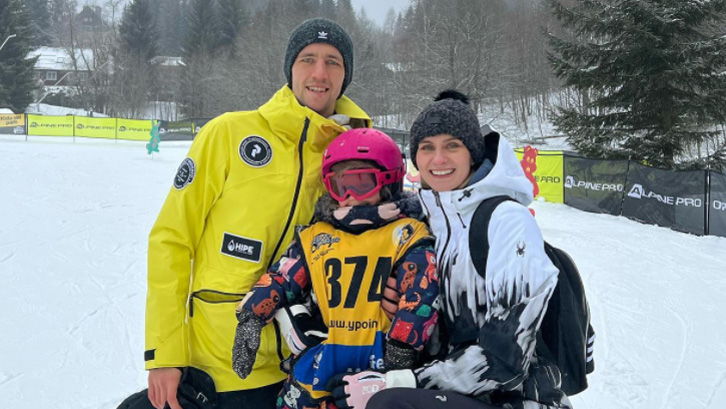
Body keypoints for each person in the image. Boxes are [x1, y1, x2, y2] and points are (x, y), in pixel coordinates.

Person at [118, 18, 372, 409]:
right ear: (290, 67)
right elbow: (171, 239)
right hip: (215, 364)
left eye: (333, 62)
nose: (319, 73)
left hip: (306, 367)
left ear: (346, 76)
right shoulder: (228, 134)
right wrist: (165, 355)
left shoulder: (356, 154)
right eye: (308, 59)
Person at [327, 90, 573, 409]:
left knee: (388, 403)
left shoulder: (505, 221)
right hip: (454, 392)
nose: (438, 159)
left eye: (451, 146)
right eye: (427, 148)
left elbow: (504, 359)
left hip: (513, 398)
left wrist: (398, 382)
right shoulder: (425, 220)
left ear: (472, 153)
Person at [232, 128, 440, 409]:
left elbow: (420, 294)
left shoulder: (405, 235)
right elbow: (282, 278)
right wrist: (251, 317)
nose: (351, 195)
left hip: (378, 362)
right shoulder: (317, 238)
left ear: (388, 181)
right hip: (324, 359)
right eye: (340, 186)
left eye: (362, 183)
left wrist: (401, 352)